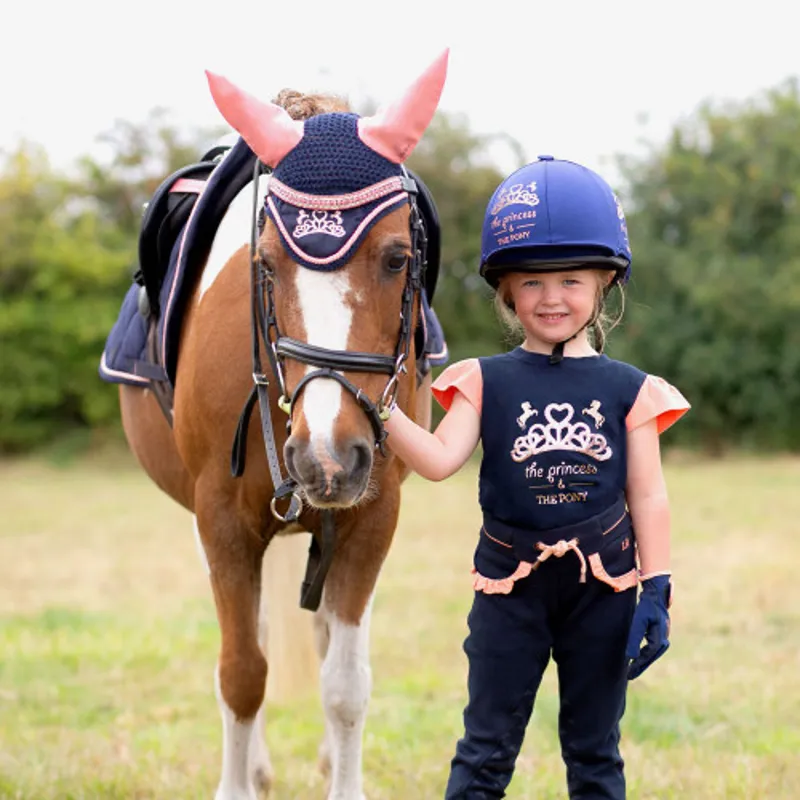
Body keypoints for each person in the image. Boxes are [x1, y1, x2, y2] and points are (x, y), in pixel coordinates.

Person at [385, 155, 690, 799]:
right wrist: (379, 412)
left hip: (604, 590)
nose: (552, 298)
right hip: (508, 592)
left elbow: (647, 493)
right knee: (485, 750)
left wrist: (657, 587)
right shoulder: (482, 380)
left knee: (595, 754)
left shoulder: (629, 389)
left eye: (572, 281)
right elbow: (440, 461)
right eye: (531, 283)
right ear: (505, 291)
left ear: (605, 283)